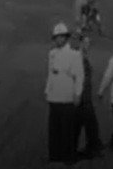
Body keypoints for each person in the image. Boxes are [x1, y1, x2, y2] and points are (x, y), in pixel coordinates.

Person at [45, 23, 84, 164]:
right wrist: (47, 90)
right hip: (54, 96)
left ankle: (69, 156)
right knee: (54, 128)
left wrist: (78, 93)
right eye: (57, 37)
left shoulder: (74, 55)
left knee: (68, 129)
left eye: (62, 37)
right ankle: (55, 155)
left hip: (68, 97)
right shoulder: (52, 54)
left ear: (66, 38)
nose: (59, 39)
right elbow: (50, 73)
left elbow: (79, 76)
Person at [71, 31, 102, 159]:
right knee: (85, 124)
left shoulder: (82, 57)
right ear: (80, 44)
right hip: (82, 97)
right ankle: (88, 149)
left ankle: (92, 147)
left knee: (87, 124)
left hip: (85, 96)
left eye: (89, 43)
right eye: (86, 43)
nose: (88, 45)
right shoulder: (78, 58)